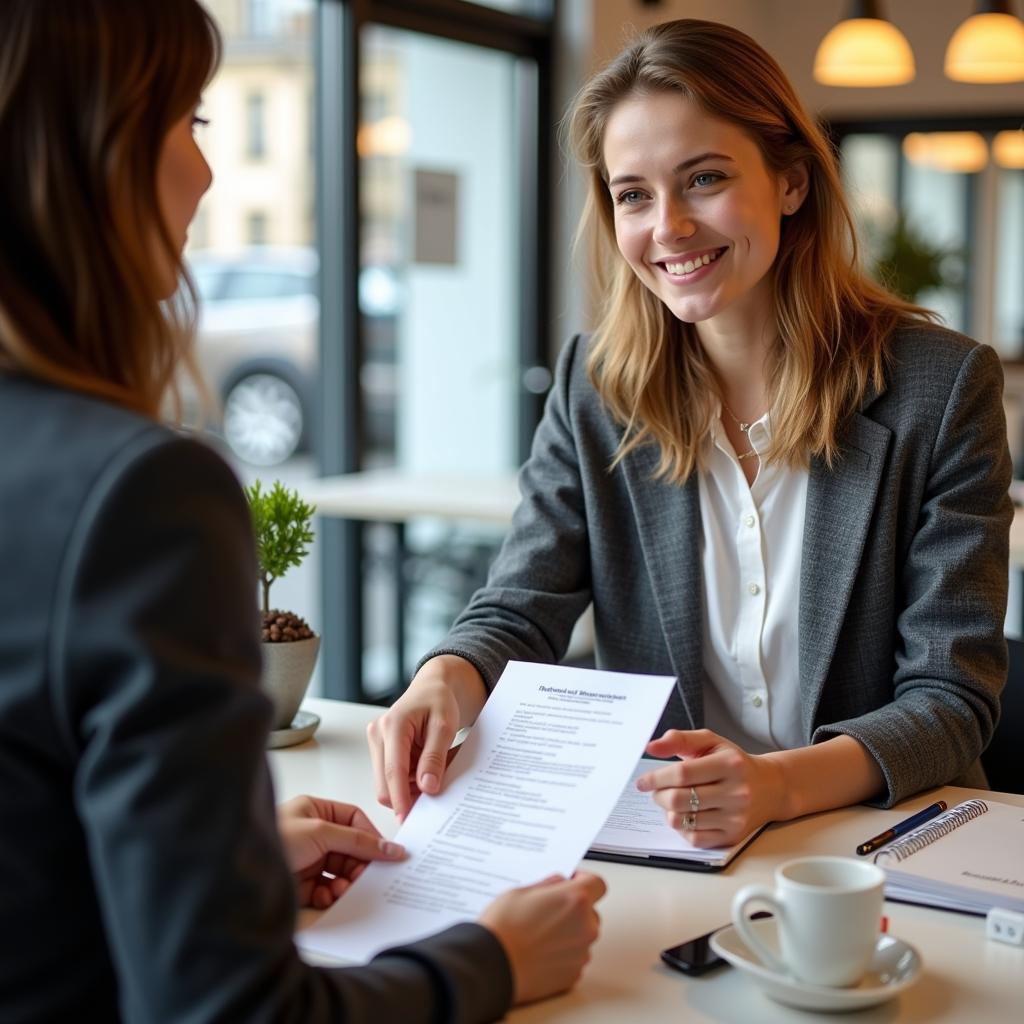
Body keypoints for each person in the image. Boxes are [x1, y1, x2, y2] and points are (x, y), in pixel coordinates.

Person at [0, 2, 604, 1021]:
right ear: (96, 147)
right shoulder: (138, 495)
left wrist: (216, 878)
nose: (206, 174)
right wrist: (488, 960)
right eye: (188, 123)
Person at [368, 19, 1012, 848]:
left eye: (703, 178)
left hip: (878, 842)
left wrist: (772, 785)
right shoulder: (597, 386)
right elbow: (519, 608)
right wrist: (442, 681)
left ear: (790, 180)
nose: (667, 227)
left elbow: (951, 701)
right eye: (633, 193)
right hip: (673, 836)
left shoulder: (940, 386)